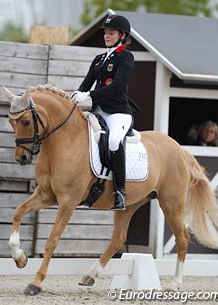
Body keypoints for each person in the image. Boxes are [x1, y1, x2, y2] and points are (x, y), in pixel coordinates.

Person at [71, 14, 140, 210]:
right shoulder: (99, 59)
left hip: (118, 112)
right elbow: (86, 84)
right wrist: (77, 93)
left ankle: (120, 191)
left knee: (113, 140)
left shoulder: (126, 57)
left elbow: (117, 87)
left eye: (111, 33)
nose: (106, 36)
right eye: (105, 33)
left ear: (122, 35)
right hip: (98, 111)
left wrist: (90, 94)